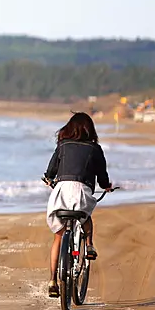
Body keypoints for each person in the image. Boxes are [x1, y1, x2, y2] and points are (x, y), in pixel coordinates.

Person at [42, 112, 113, 298]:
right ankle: (89, 245)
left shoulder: (62, 145)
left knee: (58, 237)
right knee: (85, 218)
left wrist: (49, 180)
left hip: (61, 192)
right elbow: (102, 175)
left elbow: (51, 170)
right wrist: (106, 186)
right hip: (82, 192)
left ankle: (52, 281)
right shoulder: (95, 149)